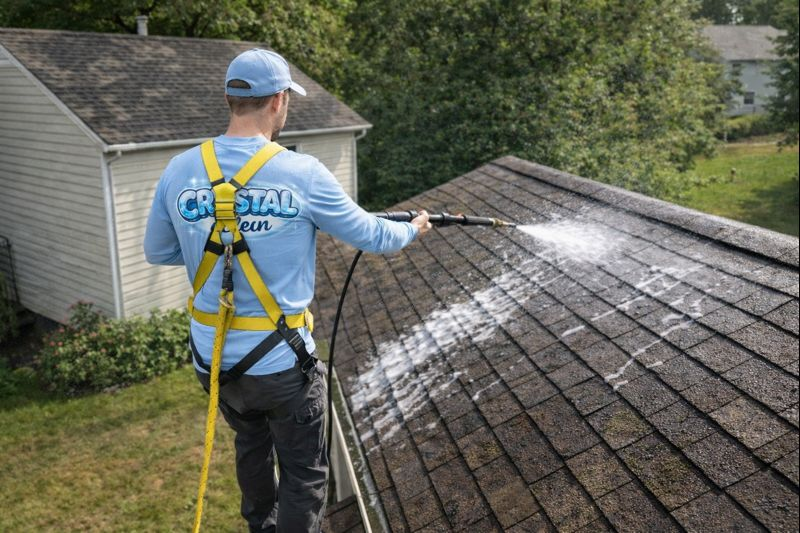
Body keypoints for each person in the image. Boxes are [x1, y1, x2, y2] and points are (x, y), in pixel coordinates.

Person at [143, 48, 431, 533]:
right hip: (280, 364)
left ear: (231, 99)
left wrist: (205, 243)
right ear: (278, 100)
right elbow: (373, 236)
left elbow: (158, 251)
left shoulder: (179, 169)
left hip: (214, 361)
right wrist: (412, 228)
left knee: (251, 445)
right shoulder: (302, 173)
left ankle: (261, 525)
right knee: (303, 474)